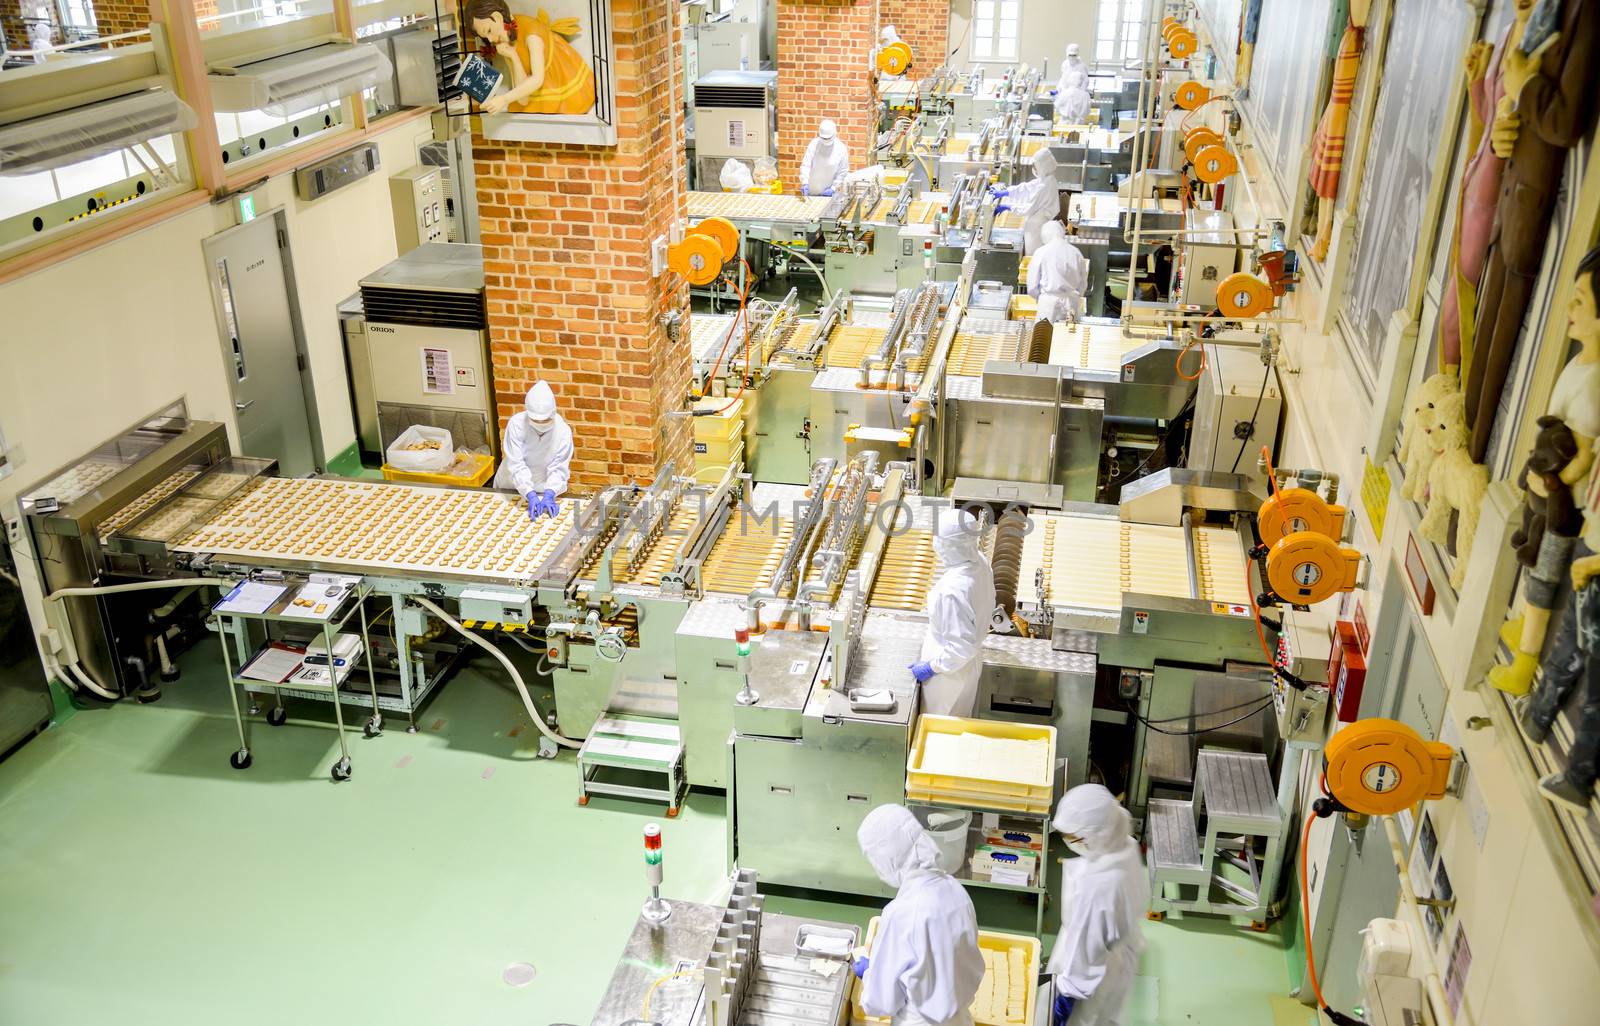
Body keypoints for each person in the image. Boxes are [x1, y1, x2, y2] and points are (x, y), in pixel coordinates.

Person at [855, 805, 985, 1026]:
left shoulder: (901, 913)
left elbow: (883, 1002)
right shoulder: (956, 890)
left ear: (886, 859)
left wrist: (869, 973)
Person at [1046, 785, 1149, 1026]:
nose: (1069, 842)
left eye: (1073, 837)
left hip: (1095, 974)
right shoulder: (1124, 844)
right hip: (1118, 956)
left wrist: (1062, 1004)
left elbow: (1082, 964)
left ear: (1095, 835)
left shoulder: (1096, 888)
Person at [909, 510, 996, 718]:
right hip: (968, 667)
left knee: (940, 727)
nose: (936, 546)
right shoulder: (980, 562)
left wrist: (931, 667)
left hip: (948, 677)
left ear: (951, 546)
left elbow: (960, 647)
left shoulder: (952, 591)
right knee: (959, 721)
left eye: (940, 542)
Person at [465, 0, 596, 116]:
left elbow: (537, 79)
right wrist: (513, 56)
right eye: (485, 37)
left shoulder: (532, 36)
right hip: (533, 89)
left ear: (498, 17)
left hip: (561, 84)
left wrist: (504, 99)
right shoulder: (504, 41)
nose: (491, 40)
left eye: (488, 31)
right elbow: (523, 99)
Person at [492, 381, 573, 520]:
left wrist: (549, 493)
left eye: (545, 420)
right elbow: (517, 464)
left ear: (553, 413)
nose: (540, 424)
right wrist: (529, 493)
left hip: (544, 487)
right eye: (536, 420)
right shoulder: (516, 425)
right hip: (511, 484)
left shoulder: (563, 431)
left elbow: (559, 468)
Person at [991, 149, 1063, 254]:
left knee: (1033, 255)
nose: (1034, 169)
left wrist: (1009, 207)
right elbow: (1028, 187)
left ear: (1043, 166)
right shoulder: (1047, 179)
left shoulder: (1045, 186)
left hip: (1036, 228)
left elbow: (1028, 208)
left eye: (1036, 166)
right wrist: (1007, 192)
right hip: (1036, 222)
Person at [1028, 220, 1089, 324]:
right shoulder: (1076, 252)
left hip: (1048, 304)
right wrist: (1074, 295)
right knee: (1068, 337)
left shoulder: (1041, 252)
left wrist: (1042, 297)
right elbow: (1083, 283)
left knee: (1044, 337)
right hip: (1071, 303)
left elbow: (1032, 286)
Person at [800, 119, 849, 197]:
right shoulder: (813, 145)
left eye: (828, 138)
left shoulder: (841, 149)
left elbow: (842, 172)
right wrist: (805, 182)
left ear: (834, 134)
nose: (826, 140)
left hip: (830, 193)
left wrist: (833, 188)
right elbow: (806, 165)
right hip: (812, 191)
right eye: (824, 138)